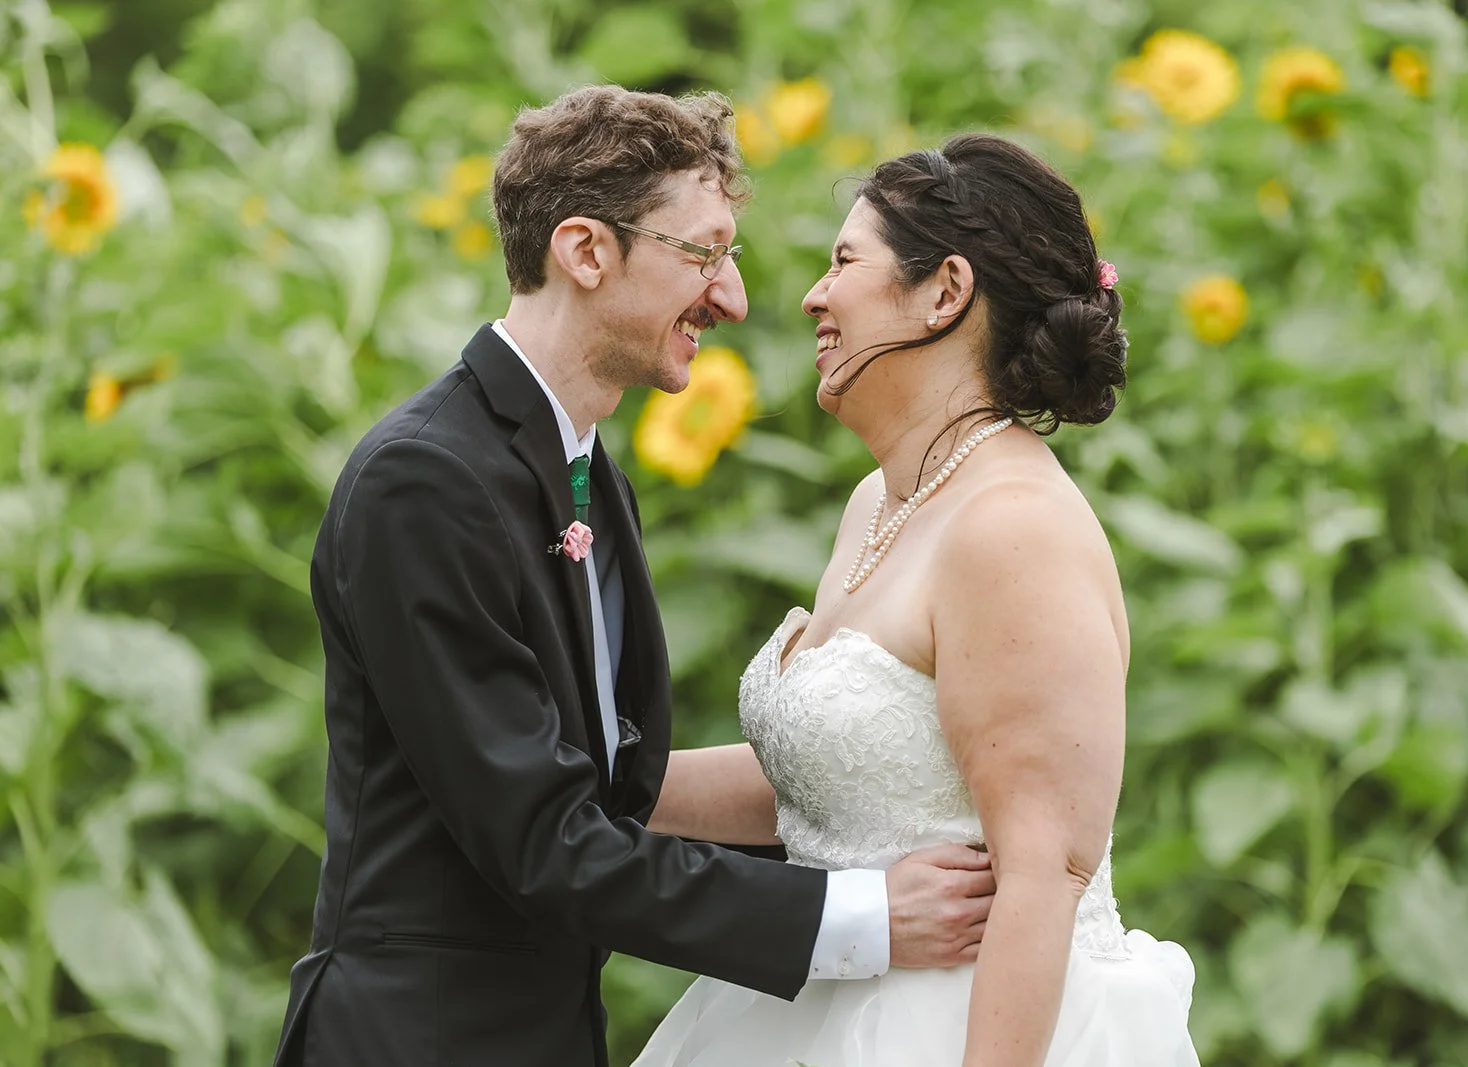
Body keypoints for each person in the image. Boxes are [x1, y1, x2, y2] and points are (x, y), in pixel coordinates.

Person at [271, 86, 998, 1067]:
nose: (733, 297)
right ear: (584, 251)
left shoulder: (584, 470)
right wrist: (859, 916)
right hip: (418, 1036)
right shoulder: (426, 481)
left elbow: (617, 783)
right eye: (702, 254)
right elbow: (543, 838)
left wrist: (886, 806)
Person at [631, 134, 1199, 1066]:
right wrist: (580, 780)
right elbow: (836, 780)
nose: (814, 295)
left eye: (845, 262)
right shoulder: (881, 502)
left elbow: (1042, 874)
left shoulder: (1011, 526)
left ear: (946, 291)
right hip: (823, 1001)